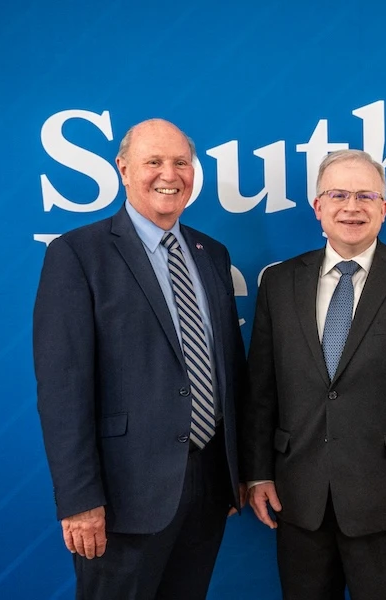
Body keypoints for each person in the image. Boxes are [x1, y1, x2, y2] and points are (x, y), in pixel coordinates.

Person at [242, 149, 386, 600]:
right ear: (318, 207)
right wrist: (258, 473)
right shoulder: (279, 283)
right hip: (300, 499)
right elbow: (261, 393)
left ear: (385, 209)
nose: (352, 206)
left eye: (366, 195)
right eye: (339, 194)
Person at [33, 118, 246, 599]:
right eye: (153, 161)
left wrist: (234, 471)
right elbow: (62, 391)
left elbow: (230, 367)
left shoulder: (210, 253)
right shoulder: (78, 254)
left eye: (181, 162)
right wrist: (80, 501)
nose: (168, 173)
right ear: (123, 170)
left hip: (207, 487)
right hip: (121, 498)